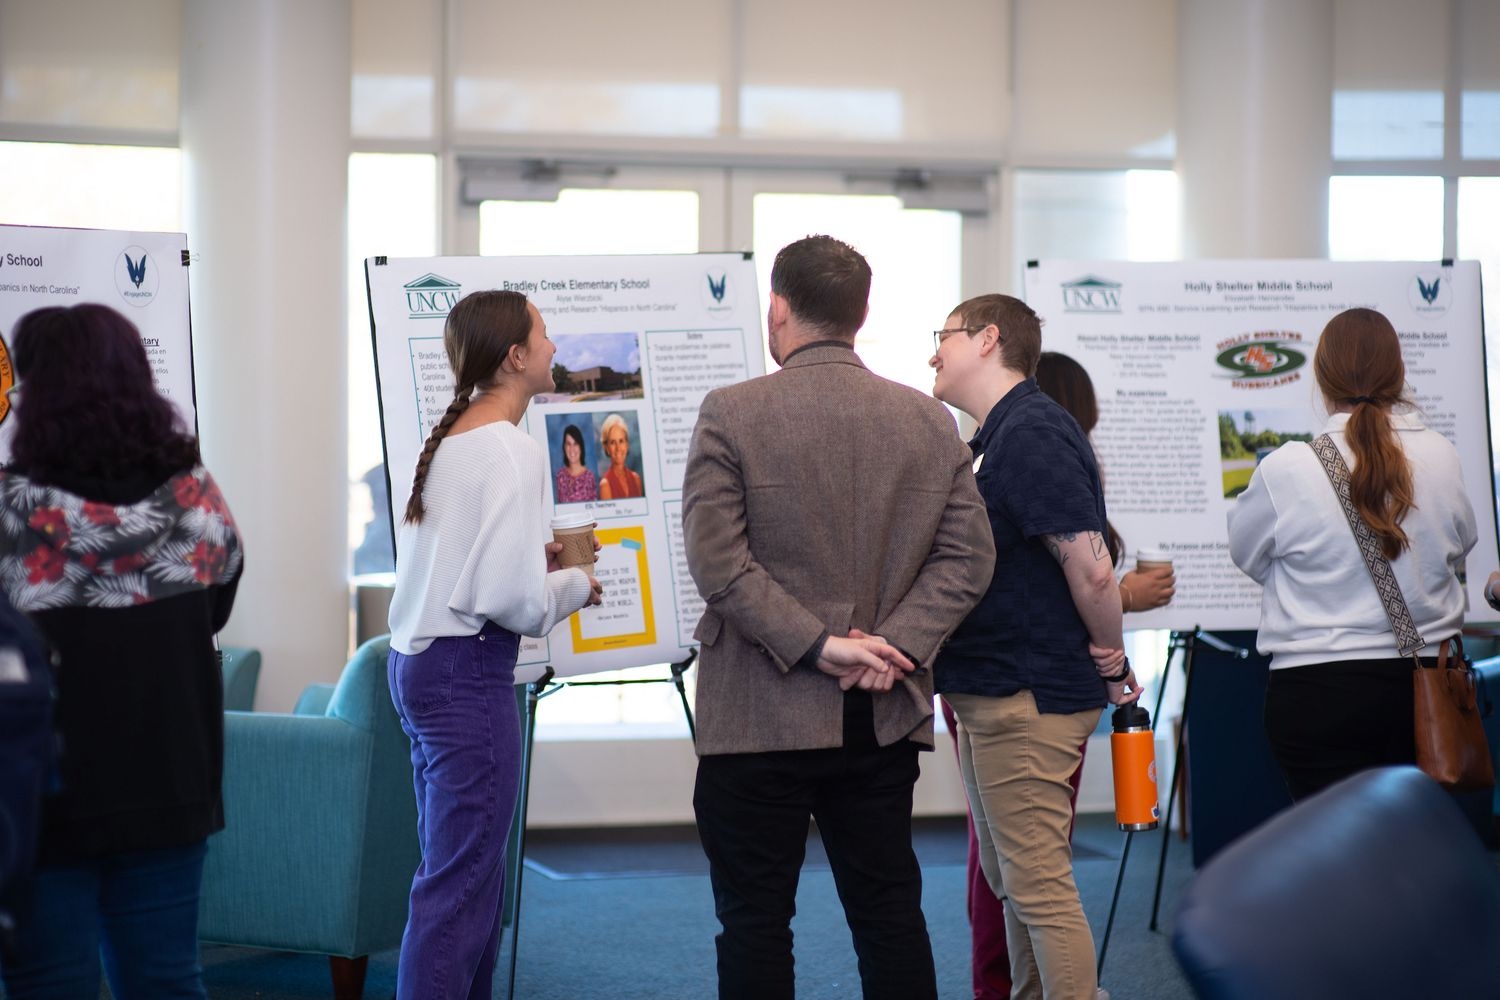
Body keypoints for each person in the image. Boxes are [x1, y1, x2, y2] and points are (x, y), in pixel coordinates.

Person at [682, 235, 995, 1000]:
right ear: (859, 315)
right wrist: (889, 646)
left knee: (755, 923)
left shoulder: (732, 412)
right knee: (888, 913)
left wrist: (819, 646)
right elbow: (968, 561)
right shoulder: (929, 421)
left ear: (778, 310)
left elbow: (718, 563)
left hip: (757, 713)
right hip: (877, 710)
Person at [0, 303, 243, 1000]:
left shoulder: (10, 514)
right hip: (170, 782)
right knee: (166, 981)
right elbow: (215, 612)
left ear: (37, 393)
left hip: (42, 794)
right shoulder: (197, 502)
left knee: (50, 984)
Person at [386, 290, 602, 1000]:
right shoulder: (509, 450)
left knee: (458, 877)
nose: (553, 346)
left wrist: (538, 568)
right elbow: (515, 604)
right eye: (543, 335)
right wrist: (574, 583)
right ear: (515, 356)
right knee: (462, 887)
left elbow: (470, 570)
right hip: (465, 676)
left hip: (420, 668)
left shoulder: (455, 439)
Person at [942, 348, 1175, 1000]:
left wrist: (1112, 655)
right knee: (1013, 873)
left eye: (949, 335)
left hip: (1027, 690)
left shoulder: (1033, 436)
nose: (937, 350)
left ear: (988, 342)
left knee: (1034, 879)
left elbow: (1089, 575)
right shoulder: (1006, 439)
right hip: (1000, 684)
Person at [1227, 307, 1477, 801]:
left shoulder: (1287, 469)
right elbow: (1461, 545)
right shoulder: (1442, 456)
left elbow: (1247, 555)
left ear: (1321, 379)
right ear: (1399, 375)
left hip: (1315, 695)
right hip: (1423, 688)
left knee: (1329, 857)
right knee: (1414, 850)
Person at [596, 412, 644, 499]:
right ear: (606, 448)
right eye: (613, 442)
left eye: (621, 441)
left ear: (627, 444)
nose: (618, 448)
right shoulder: (605, 485)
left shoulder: (636, 479)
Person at [554, 423, 598, 503]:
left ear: (581, 447)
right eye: (568, 444)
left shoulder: (589, 478)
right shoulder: (560, 476)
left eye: (575, 444)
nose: (572, 449)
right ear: (564, 447)